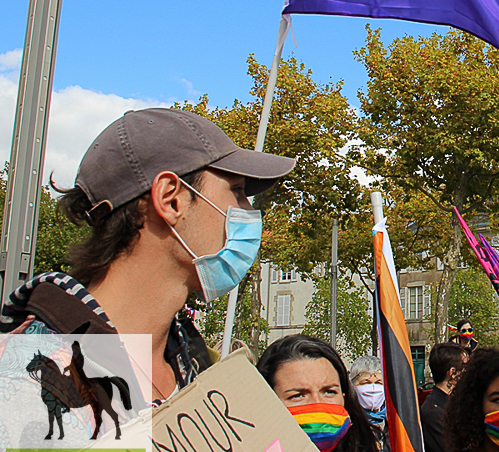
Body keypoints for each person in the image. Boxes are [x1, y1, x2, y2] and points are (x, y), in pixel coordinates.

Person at [0, 108, 295, 403]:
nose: (248, 211)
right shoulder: (30, 376)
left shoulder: (195, 362)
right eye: (236, 191)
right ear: (171, 200)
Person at [258, 334, 390, 452]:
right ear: (267, 400)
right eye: (298, 395)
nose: (318, 404)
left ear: (344, 396)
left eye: (329, 392)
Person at [350, 355, 395, 452]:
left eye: (378, 382)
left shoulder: (394, 424)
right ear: (353, 386)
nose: (373, 388)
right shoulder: (349, 426)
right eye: (366, 382)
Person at [422, 342, 468, 452]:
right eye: (466, 367)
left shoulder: (456, 403)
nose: (469, 372)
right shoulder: (434, 412)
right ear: (452, 373)